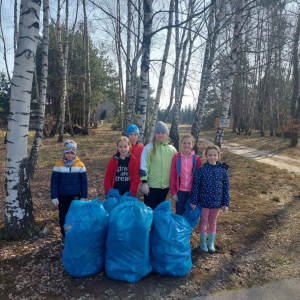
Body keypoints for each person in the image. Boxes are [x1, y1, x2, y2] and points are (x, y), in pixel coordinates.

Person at [190, 145, 230, 253]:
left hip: (217, 203)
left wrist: (226, 203)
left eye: (214, 155)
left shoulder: (223, 171)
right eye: (210, 155)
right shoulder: (201, 170)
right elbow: (196, 187)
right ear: (206, 156)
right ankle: (203, 242)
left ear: (218, 156)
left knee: (213, 221)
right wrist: (194, 201)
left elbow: (226, 188)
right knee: (203, 221)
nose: (212, 157)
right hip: (204, 202)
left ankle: (211, 243)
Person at [51, 140, 87, 246]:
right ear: (64, 153)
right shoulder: (58, 165)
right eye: (67, 152)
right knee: (63, 216)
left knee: (75, 216)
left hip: (75, 196)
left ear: (75, 153)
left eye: (72, 152)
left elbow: (84, 182)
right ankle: (64, 235)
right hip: (62, 196)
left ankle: (74, 234)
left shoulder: (80, 165)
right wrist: (54, 196)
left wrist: (83, 196)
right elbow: (54, 182)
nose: (70, 155)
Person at [140, 121, 177, 210]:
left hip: (165, 186)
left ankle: (157, 224)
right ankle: (149, 224)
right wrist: (144, 183)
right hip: (151, 186)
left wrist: (175, 186)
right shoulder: (148, 148)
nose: (160, 135)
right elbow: (144, 166)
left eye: (163, 133)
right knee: (149, 210)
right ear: (154, 135)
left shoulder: (172, 150)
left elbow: (176, 168)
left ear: (167, 135)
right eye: (158, 133)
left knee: (159, 210)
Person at [170, 135, 202, 215]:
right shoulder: (176, 158)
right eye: (184, 143)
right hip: (180, 191)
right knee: (179, 213)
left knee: (189, 213)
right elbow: (173, 175)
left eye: (189, 143)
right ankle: (178, 227)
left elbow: (199, 178)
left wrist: (197, 194)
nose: (186, 145)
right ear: (181, 144)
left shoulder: (196, 159)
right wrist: (173, 192)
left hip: (191, 192)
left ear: (192, 145)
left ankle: (187, 228)